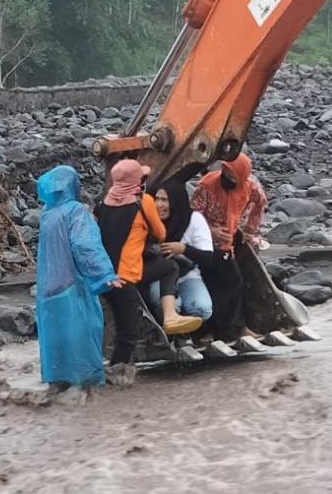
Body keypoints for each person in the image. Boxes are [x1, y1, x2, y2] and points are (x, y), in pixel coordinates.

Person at [97, 159, 202, 375]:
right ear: (137, 182)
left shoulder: (103, 203)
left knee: (121, 328)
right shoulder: (142, 202)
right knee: (129, 331)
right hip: (126, 276)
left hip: (105, 275)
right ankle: (118, 378)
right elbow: (160, 234)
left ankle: (113, 375)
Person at [34, 165, 121, 390]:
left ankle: (57, 385)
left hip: (47, 288)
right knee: (84, 333)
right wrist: (104, 274)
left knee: (55, 341)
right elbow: (84, 245)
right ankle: (87, 390)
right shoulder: (76, 211)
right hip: (72, 284)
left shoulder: (47, 215)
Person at [191, 153, 268, 342]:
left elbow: (260, 204)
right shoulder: (207, 185)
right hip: (204, 242)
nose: (225, 176)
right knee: (215, 282)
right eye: (224, 171)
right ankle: (212, 330)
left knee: (233, 282)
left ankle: (234, 328)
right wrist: (211, 231)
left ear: (240, 177)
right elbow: (193, 216)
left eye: (231, 174)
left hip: (227, 241)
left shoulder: (250, 188)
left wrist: (249, 231)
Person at [146, 178, 214, 322]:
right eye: (157, 199)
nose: (159, 205)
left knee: (202, 308)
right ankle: (175, 335)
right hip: (158, 277)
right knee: (170, 306)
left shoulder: (194, 220)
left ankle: (189, 331)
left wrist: (184, 249)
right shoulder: (149, 219)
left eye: (165, 200)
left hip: (187, 274)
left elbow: (208, 258)